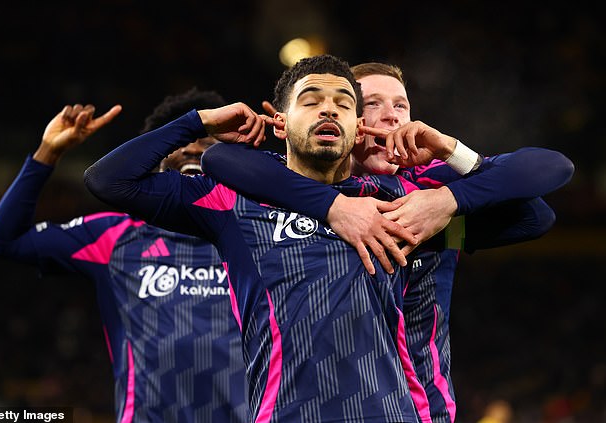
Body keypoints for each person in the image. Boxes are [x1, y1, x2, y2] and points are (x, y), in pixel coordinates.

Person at [84, 54, 462, 422]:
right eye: (311, 101)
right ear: (280, 123)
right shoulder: (233, 199)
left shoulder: (402, 203)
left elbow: (523, 207)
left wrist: (450, 190)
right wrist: (197, 123)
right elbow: (108, 180)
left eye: (344, 105)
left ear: (357, 126)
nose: (328, 110)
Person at [199, 62, 574, 423]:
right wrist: (333, 206)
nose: (391, 116)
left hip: (419, 409)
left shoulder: (425, 194)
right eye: (372, 103)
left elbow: (538, 208)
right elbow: (220, 158)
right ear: (349, 119)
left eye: (401, 106)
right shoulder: (284, 187)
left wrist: (449, 172)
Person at [0, 88, 249, 423]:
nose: (194, 147)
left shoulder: (260, 236)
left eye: (208, 142)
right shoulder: (114, 237)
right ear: (158, 155)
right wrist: (47, 153)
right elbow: (4, 240)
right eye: (182, 141)